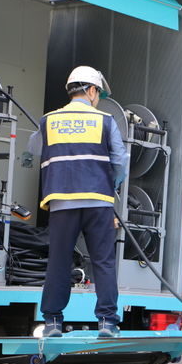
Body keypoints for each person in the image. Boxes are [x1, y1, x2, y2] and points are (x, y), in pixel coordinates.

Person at [26, 65, 129, 338]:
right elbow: (120, 161)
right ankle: (107, 323)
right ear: (92, 90)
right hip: (98, 202)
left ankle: (52, 323)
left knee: (59, 262)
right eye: (98, 93)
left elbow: (34, 148)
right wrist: (113, 184)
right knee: (103, 262)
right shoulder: (106, 121)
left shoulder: (48, 120)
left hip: (61, 202)